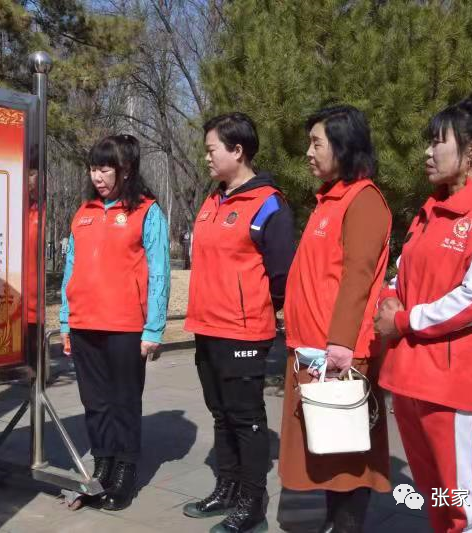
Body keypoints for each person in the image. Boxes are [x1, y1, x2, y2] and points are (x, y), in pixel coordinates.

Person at [375, 85, 472, 533]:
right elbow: (403, 273)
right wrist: (389, 296)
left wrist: (403, 320)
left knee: (465, 506)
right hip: (411, 376)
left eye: (437, 142)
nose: (427, 153)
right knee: (437, 497)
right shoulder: (432, 211)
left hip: (453, 384)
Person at [279, 105, 393, 533]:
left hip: (339, 354)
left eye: (317, 143)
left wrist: (342, 343)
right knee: (323, 449)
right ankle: (332, 522)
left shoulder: (364, 200)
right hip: (311, 349)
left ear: (343, 146)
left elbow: (358, 276)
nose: (309, 152)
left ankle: (347, 527)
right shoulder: (329, 199)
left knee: (347, 456)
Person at [183, 112, 295, 533]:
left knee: (246, 419)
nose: (206, 156)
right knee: (220, 414)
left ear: (237, 150)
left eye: (212, 149)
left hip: (243, 331)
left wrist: (253, 307)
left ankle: (252, 504)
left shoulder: (269, 203)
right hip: (207, 327)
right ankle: (226, 490)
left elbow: (281, 275)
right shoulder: (213, 200)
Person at [59, 134, 170, 511]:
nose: (98, 176)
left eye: (105, 169)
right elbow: (71, 267)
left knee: (123, 401)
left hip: (126, 326)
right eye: (93, 168)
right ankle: (102, 464)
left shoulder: (147, 211)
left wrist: (153, 328)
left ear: (127, 170)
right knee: (94, 402)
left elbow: (159, 271)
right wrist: (65, 319)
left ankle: (124, 471)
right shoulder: (84, 212)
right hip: (84, 323)